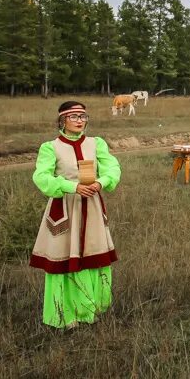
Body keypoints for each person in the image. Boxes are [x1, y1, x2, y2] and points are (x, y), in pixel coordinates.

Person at [30, 101, 121, 328]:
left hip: (92, 205)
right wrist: (72, 187)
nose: (80, 120)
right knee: (63, 257)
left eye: (83, 116)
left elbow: (112, 168)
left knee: (94, 255)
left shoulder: (96, 143)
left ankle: (92, 309)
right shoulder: (50, 147)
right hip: (66, 208)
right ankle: (65, 316)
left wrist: (101, 182)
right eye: (74, 116)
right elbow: (42, 177)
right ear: (62, 120)